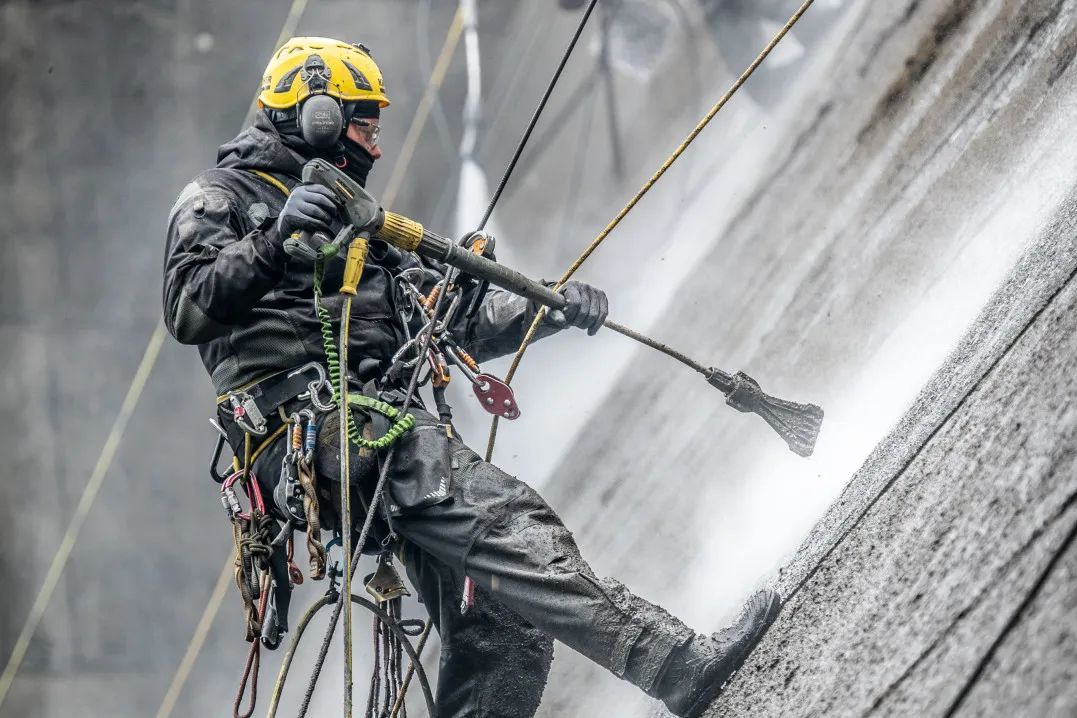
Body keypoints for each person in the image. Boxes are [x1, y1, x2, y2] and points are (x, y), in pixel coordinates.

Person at [163, 37, 780, 718]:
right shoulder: (218, 199)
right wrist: (274, 239)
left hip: (377, 434)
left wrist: (549, 308)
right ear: (318, 118)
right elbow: (188, 311)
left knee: (500, 630)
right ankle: (677, 666)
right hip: (324, 442)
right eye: (364, 124)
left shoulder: (357, 222)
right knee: (508, 521)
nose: (374, 144)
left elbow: (448, 314)